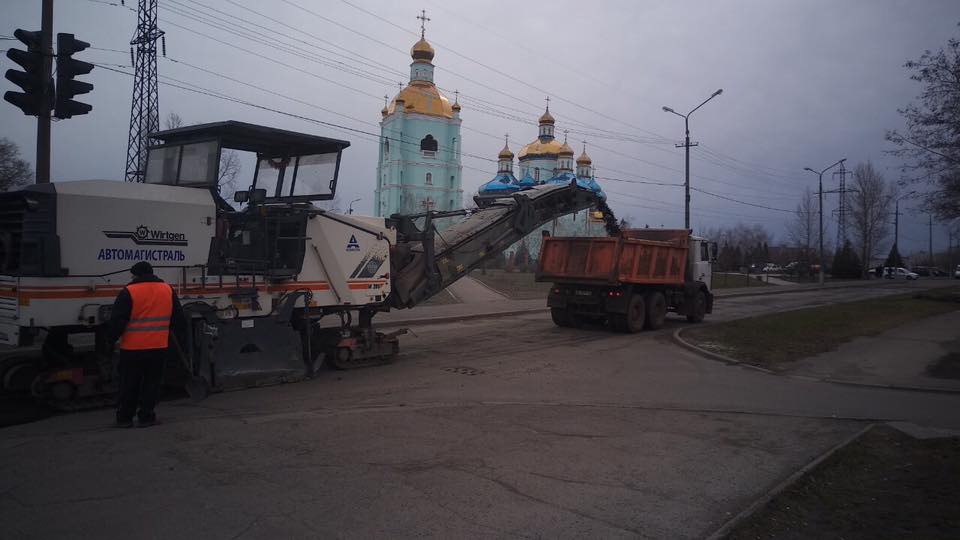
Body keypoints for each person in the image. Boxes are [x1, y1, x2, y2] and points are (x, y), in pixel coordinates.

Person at [108, 261, 187, 428]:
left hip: (132, 349)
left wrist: (110, 341)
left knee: (129, 384)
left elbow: (118, 321)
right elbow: (179, 318)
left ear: (136, 274)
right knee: (152, 383)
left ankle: (124, 419)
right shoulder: (167, 289)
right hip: (158, 347)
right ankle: (147, 417)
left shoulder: (129, 291)